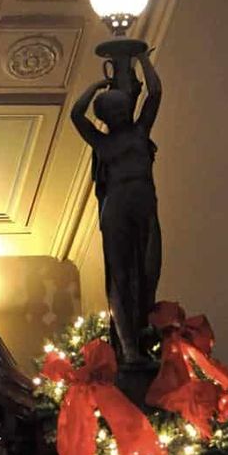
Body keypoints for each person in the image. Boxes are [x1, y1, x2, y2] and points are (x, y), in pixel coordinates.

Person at [70, 50, 162, 365]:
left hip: (144, 201)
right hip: (118, 206)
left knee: (149, 269)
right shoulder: (102, 142)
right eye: (114, 111)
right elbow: (76, 115)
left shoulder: (140, 130)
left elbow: (155, 93)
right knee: (120, 275)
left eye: (122, 108)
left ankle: (144, 336)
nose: (121, 114)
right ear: (106, 117)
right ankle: (129, 349)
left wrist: (144, 60)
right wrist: (95, 87)